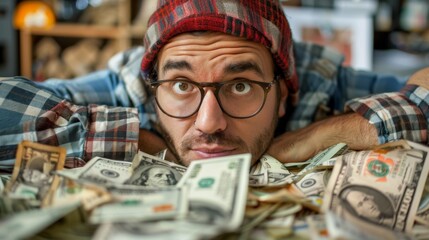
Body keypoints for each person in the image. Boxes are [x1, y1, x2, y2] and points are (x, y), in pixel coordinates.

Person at [0, 0, 428, 171]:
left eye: (240, 85)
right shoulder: (126, 86)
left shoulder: (322, 82)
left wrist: (327, 133)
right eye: (182, 85)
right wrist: (142, 141)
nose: (210, 124)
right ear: (151, 90)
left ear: (284, 93)